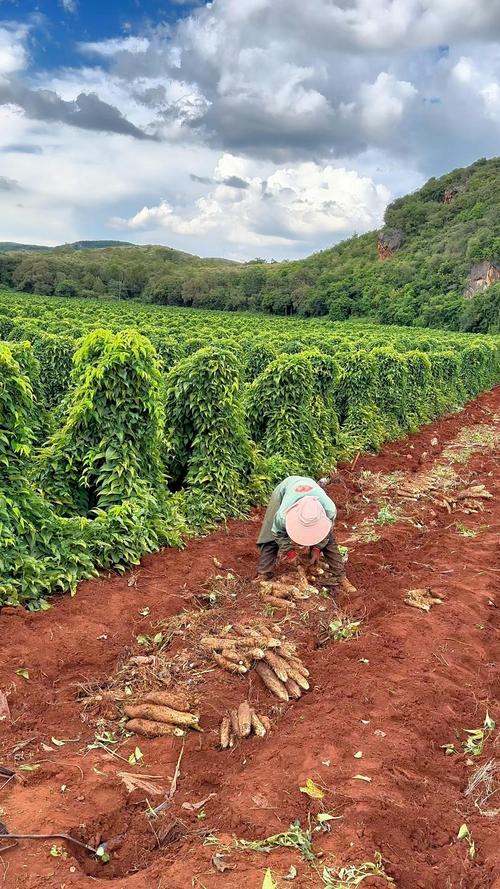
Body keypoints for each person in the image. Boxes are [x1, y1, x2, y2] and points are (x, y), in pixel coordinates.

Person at [256, 475, 356, 593]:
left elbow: (326, 533)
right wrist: (290, 553)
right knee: (269, 535)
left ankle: (340, 576)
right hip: (285, 489)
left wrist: (317, 548)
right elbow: (277, 533)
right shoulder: (282, 516)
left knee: (329, 539)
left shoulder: (329, 510)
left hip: (309, 486)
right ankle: (264, 573)